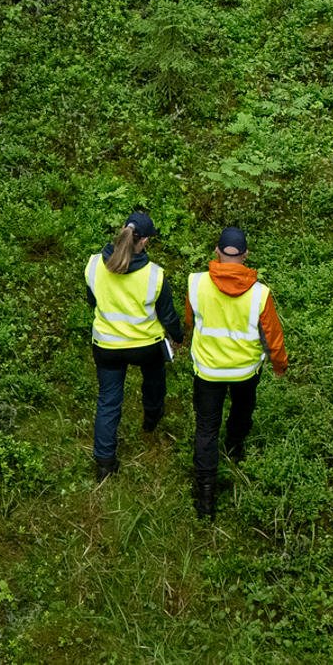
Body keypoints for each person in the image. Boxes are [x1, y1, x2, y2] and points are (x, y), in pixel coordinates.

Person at [185, 224, 288, 518]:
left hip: (207, 371)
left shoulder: (196, 283)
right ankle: (234, 449)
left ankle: (205, 495)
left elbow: (189, 320)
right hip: (245, 372)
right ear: (245, 255)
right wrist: (279, 365)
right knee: (242, 411)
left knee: (206, 428)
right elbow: (272, 336)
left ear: (217, 252)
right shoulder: (260, 294)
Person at [85, 209, 185, 481]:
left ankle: (105, 462)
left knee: (108, 400)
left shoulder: (94, 264)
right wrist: (178, 335)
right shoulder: (155, 275)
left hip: (106, 345)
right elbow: (167, 315)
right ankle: (151, 418)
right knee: (154, 381)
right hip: (146, 346)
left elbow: (93, 300)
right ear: (145, 242)